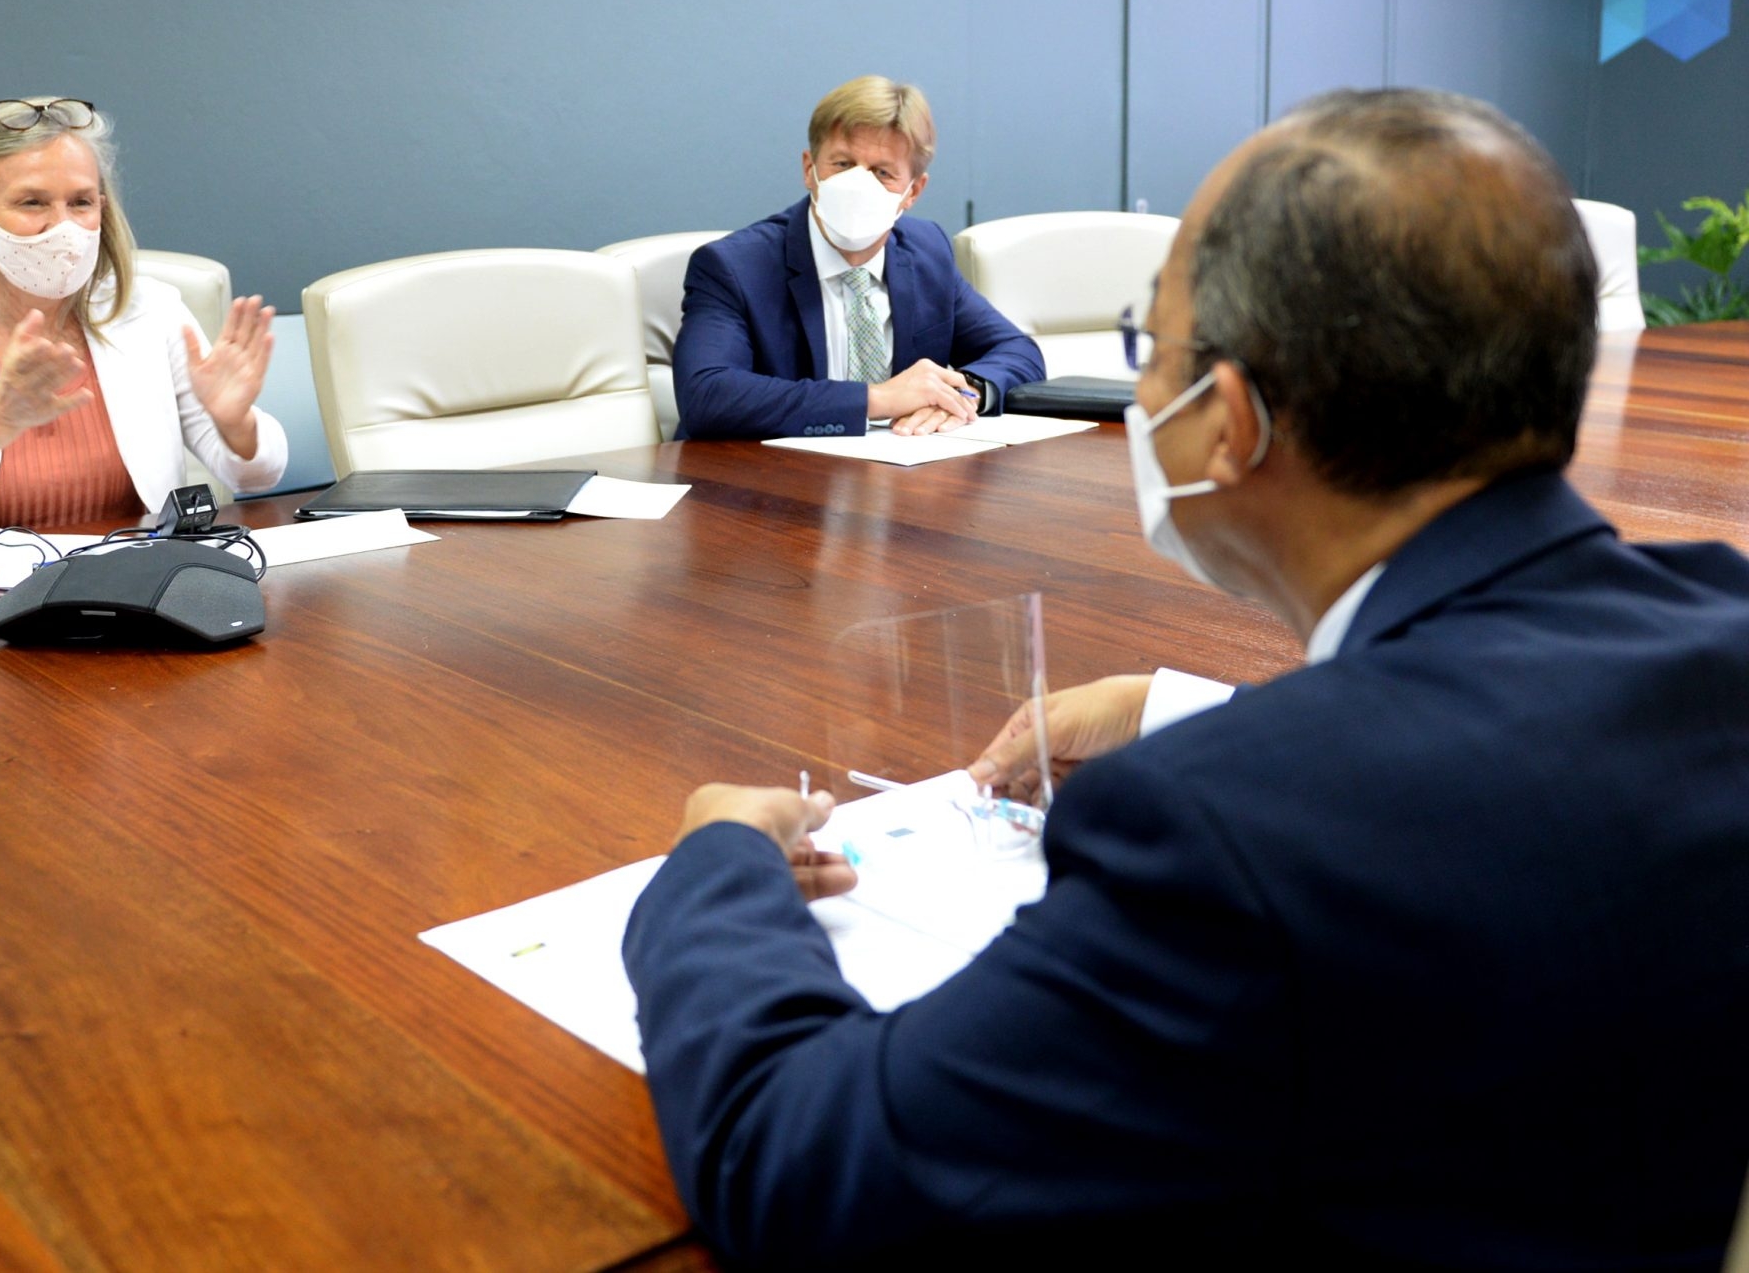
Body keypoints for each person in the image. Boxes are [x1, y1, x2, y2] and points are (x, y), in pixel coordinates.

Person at [624, 89, 1749, 1268]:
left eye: (1148, 350)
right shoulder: (1719, 628)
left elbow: (801, 1169)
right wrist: (1178, 709)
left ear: (1233, 422)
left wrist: (715, 867)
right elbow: (1488, 751)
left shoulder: (1223, 839)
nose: (1142, 389)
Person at [0, 97, 287, 541]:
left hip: (137, 585)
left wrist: (235, 422)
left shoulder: (152, 311)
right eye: (32, 202)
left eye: (81, 202)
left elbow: (259, 475)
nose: (63, 227)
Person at [671, 76, 1044, 440]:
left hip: (901, 477)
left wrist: (962, 395)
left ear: (913, 191)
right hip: (765, 485)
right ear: (809, 170)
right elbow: (706, 395)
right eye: (843, 164)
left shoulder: (926, 251)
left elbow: (1017, 351)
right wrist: (876, 399)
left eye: (883, 172)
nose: (858, 186)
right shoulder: (735, 267)